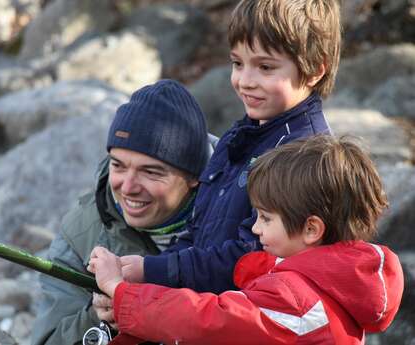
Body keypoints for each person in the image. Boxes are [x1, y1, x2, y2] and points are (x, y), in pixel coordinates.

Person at [88, 135, 405, 345]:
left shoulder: (296, 299)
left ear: (311, 229)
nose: (255, 229)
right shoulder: (330, 285)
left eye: (266, 218)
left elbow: (206, 320)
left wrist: (122, 293)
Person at [119, 0, 342, 294]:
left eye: (265, 67)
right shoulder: (237, 137)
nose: (244, 81)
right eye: (238, 63)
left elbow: (249, 259)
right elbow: (197, 233)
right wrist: (142, 282)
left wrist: (149, 271)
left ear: (314, 70)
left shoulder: (304, 158)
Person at [31, 79, 215, 345]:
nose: (127, 187)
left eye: (150, 172)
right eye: (118, 166)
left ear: (195, 176)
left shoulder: (247, 217)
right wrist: (99, 317)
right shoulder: (83, 231)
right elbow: (48, 341)